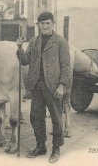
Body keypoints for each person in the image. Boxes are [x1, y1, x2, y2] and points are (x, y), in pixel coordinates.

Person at [16, 11, 72, 163]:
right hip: (37, 85)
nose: (45, 26)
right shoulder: (34, 41)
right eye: (42, 24)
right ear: (39, 25)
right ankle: (41, 145)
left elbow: (66, 66)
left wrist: (62, 85)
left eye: (48, 23)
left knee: (56, 118)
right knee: (35, 117)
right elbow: (25, 61)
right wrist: (20, 48)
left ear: (53, 24)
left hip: (53, 87)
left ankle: (56, 148)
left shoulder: (60, 42)